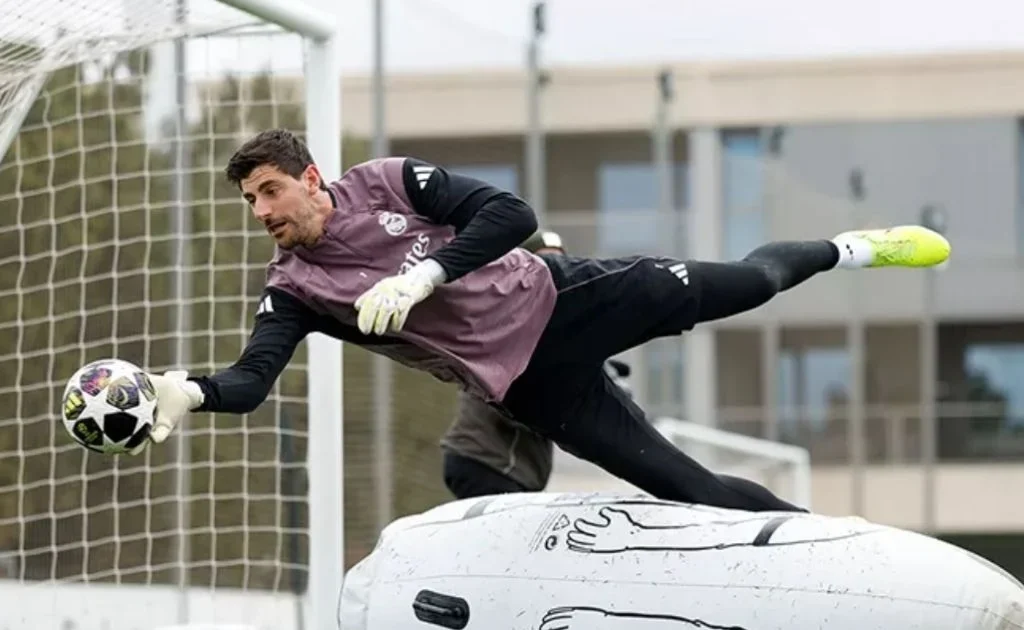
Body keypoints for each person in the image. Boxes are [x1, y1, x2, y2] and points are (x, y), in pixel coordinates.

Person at [138, 128, 950, 512]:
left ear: (311, 179)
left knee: (753, 283)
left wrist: (425, 273)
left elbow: (510, 210)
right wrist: (191, 393)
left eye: (269, 191)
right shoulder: (294, 287)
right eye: (249, 201)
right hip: (528, 385)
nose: (260, 211)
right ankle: (826, 551)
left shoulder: (386, 182)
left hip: (566, 298)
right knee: (686, 487)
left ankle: (851, 247)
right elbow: (251, 381)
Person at [439, 229, 633, 499]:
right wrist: (586, 395)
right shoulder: (508, 316)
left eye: (560, 263)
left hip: (504, 468)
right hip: (490, 464)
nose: (555, 272)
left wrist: (600, 382)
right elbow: (520, 398)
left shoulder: (543, 320)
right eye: (545, 263)